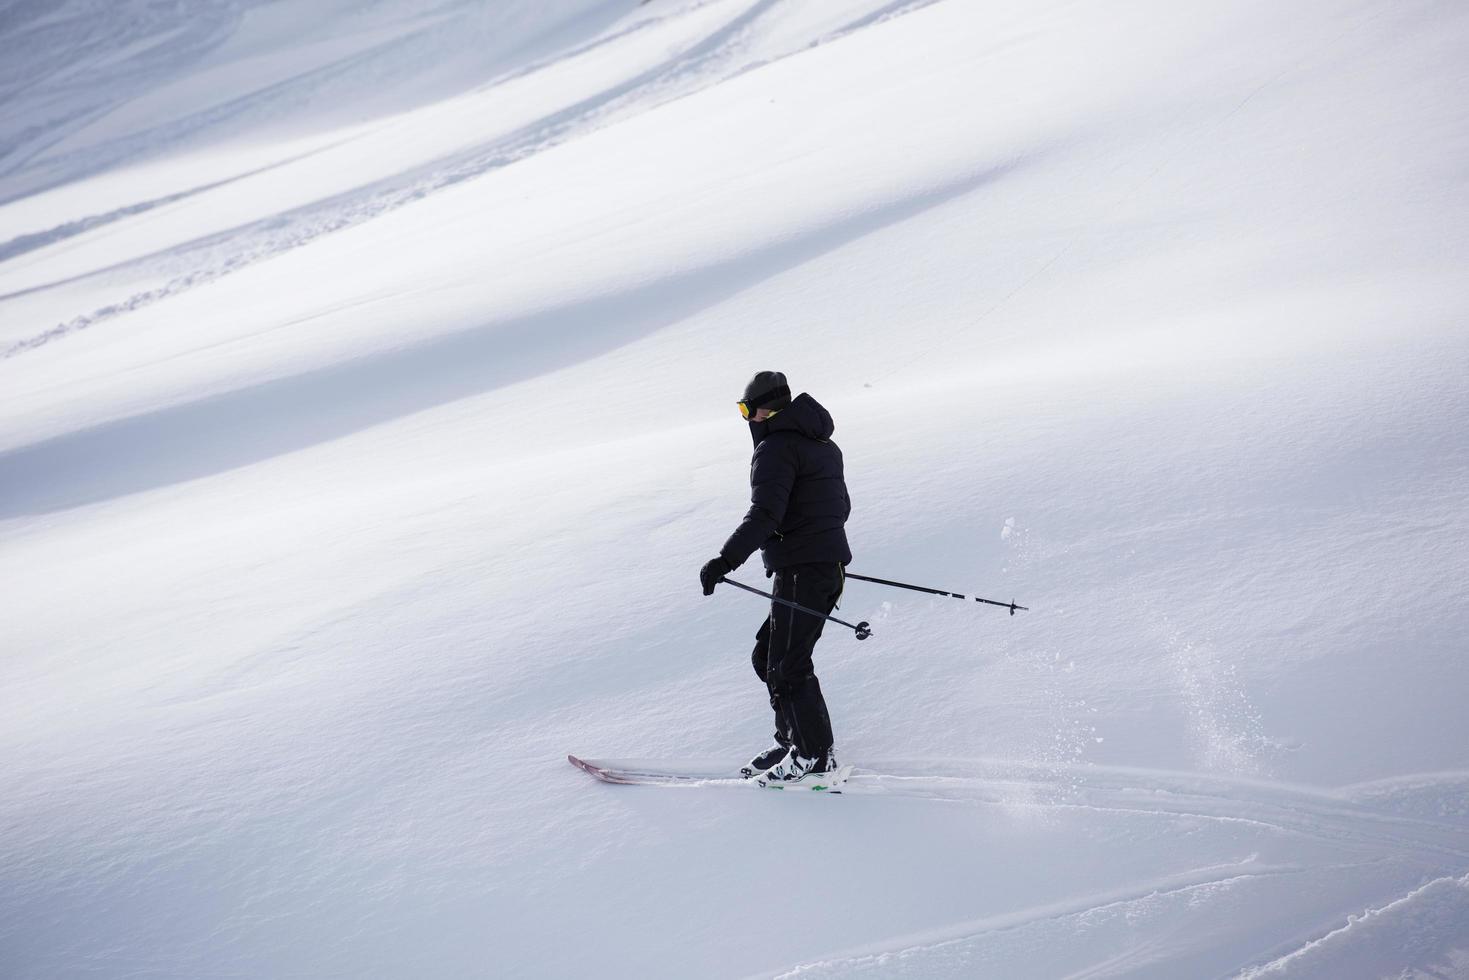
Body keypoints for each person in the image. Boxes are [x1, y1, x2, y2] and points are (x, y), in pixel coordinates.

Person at [699, 371, 852, 784]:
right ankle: (791, 741)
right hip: (825, 568)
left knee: (787, 664)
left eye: (747, 409)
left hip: (804, 569)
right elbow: (840, 508)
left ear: (769, 407)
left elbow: (765, 515)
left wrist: (724, 560)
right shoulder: (824, 445)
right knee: (768, 655)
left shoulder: (776, 448)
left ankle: (815, 758)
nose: (747, 419)